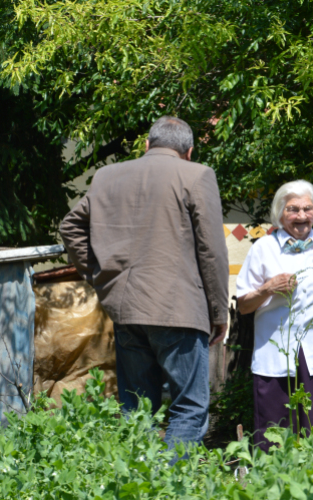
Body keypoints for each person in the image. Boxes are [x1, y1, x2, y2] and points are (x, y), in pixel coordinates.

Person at [60, 116, 229, 451]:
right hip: (180, 310)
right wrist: (219, 311)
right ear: (189, 151)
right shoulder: (197, 175)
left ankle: (141, 483)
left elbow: (71, 228)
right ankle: (170, 486)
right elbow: (212, 250)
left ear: (147, 145)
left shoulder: (107, 176)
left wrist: (98, 274)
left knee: (138, 410)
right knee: (189, 407)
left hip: (126, 310)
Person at [235, 180, 313, 452]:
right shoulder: (262, 249)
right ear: (280, 213)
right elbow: (243, 305)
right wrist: (268, 288)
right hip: (274, 353)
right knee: (273, 434)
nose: (301, 216)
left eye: (307, 209)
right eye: (293, 209)